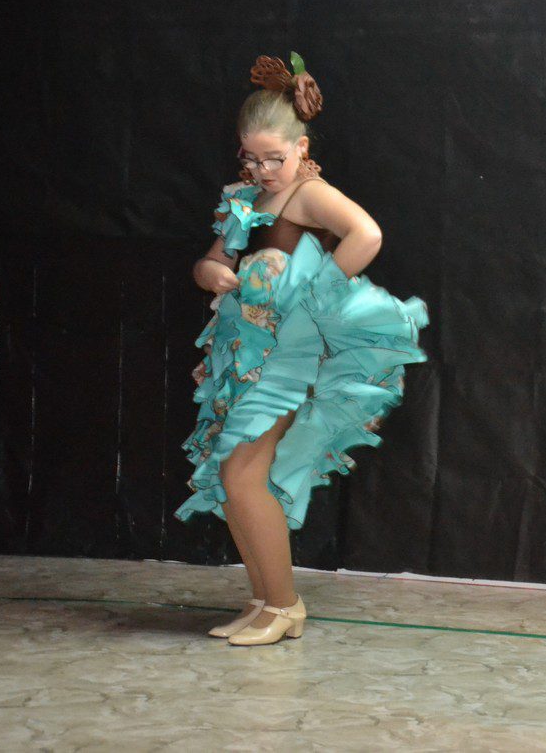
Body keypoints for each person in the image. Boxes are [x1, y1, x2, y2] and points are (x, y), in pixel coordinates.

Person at [178, 53, 429, 647]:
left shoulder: (309, 195)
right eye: (252, 157)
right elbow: (214, 258)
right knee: (238, 476)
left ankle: (285, 604)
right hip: (241, 354)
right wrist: (209, 270)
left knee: (243, 476)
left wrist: (317, 296)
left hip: (286, 359)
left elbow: (366, 234)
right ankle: (265, 601)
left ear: (302, 147)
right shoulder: (247, 201)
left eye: (276, 157)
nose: (264, 169)